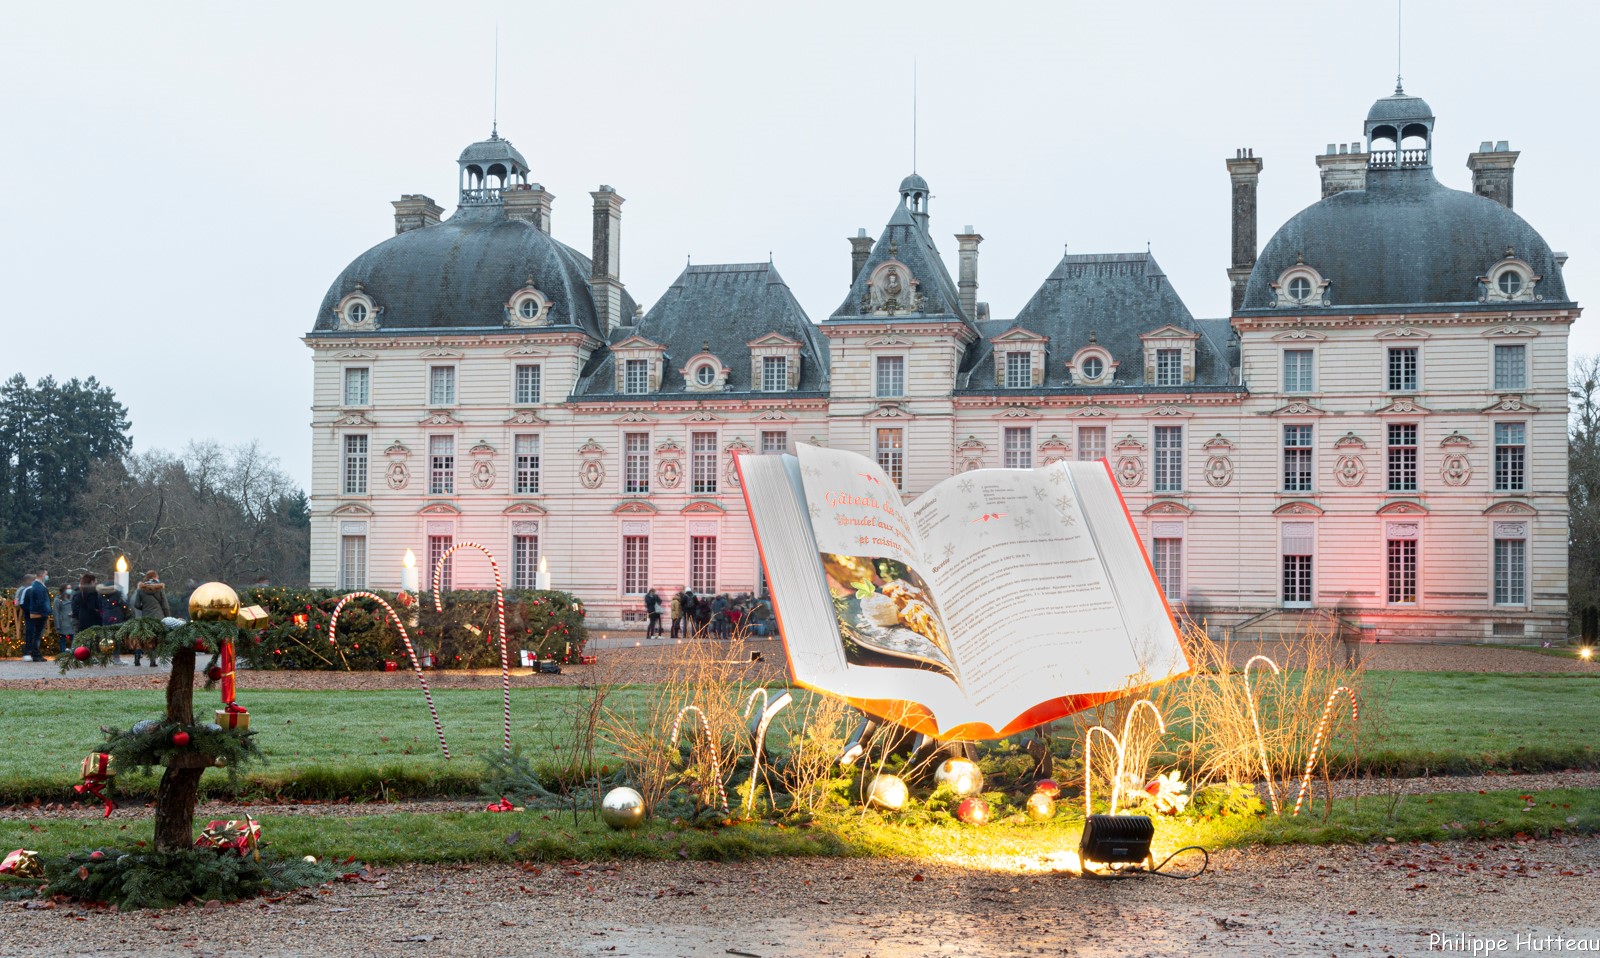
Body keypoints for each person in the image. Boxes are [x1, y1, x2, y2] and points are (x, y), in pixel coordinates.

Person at [130, 571, 169, 666]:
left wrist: (145, 609)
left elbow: (136, 605)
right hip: (158, 617)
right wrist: (167, 616)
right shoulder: (159, 589)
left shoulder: (140, 590)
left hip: (146, 617)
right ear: (155, 577)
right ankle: (152, 661)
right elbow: (165, 605)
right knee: (155, 638)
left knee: (145, 638)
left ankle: (137, 657)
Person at [20, 571, 51, 662]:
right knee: (31, 634)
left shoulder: (37, 587)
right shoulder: (29, 589)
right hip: (32, 615)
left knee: (35, 635)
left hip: (37, 614)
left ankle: (33, 653)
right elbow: (23, 603)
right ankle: (29, 652)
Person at [53, 584, 77, 655]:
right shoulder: (58, 600)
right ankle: (62, 652)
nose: (70, 590)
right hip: (63, 622)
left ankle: (74, 651)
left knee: (74, 637)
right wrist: (57, 625)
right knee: (62, 638)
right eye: (68, 588)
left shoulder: (73, 598)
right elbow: (56, 612)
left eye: (70, 588)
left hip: (72, 621)